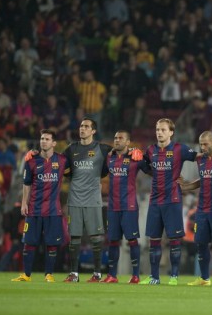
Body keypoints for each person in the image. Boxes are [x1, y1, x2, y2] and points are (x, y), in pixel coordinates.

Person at [141, 118, 198, 285]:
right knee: (154, 240)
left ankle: (174, 276)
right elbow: (145, 166)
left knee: (174, 240)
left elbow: (200, 157)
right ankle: (154, 277)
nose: (159, 132)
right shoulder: (151, 150)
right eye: (157, 129)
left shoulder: (180, 149)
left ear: (171, 132)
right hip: (155, 201)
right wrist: (135, 157)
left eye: (163, 130)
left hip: (172, 200)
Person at [12, 129, 68, 282]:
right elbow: (27, 183)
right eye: (42, 138)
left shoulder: (62, 160)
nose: (44, 141)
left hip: (53, 210)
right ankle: (26, 275)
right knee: (28, 242)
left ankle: (48, 274)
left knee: (52, 244)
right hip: (34, 209)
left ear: (54, 143)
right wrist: (24, 202)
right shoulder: (31, 160)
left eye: (47, 139)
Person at [63, 119, 113, 283]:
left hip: (93, 199)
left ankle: (97, 274)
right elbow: (59, 165)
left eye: (86, 127)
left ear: (93, 131)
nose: (82, 129)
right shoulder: (71, 149)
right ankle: (74, 274)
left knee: (96, 237)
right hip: (75, 198)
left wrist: (134, 151)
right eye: (81, 126)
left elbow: (120, 153)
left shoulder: (103, 148)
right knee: (74, 237)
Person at [181, 131, 212, 286]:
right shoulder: (200, 159)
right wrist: (187, 186)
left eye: (205, 144)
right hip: (202, 208)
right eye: (201, 144)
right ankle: (204, 278)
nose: (202, 147)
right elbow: (203, 179)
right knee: (201, 243)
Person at [101, 130, 148, 284]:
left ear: (128, 142)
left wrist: (142, 155)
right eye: (115, 138)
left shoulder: (135, 158)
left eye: (121, 138)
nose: (117, 140)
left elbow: (153, 170)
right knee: (113, 241)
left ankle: (135, 276)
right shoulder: (109, 158)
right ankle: (112, 275)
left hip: (129, 206)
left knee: (132, 240)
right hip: (113, 206)